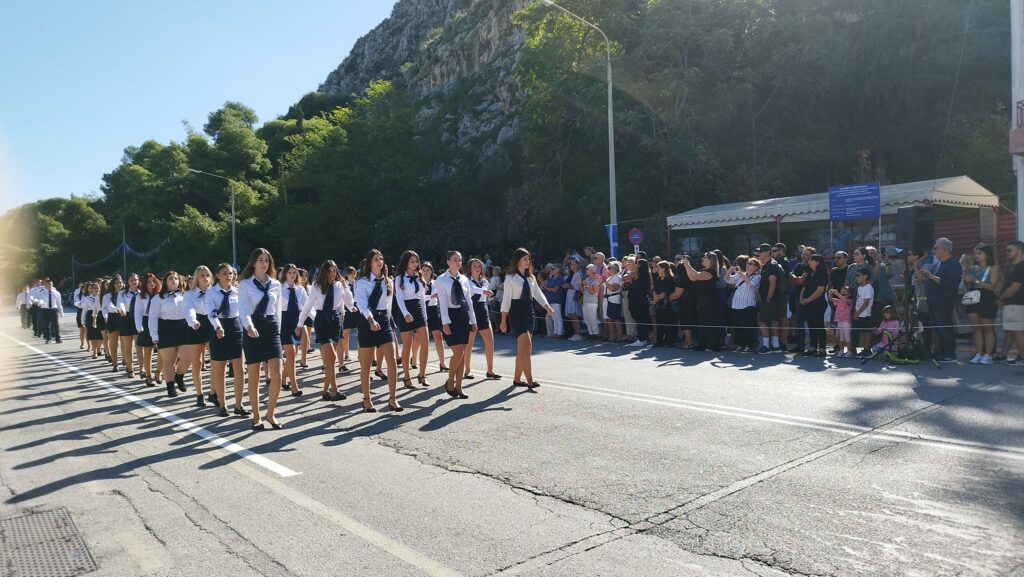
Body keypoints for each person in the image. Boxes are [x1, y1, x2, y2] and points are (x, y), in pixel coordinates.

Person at [238, 248, 287, 429]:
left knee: (277, 374)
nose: (264, 263)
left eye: (267, 260)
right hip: (253, 328)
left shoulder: (275, 284)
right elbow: (242, 308)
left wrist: (279, 334)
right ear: (253, 262)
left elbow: (277, 311)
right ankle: (256, 415)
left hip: (271, 329)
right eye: (260, 260)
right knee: (254, 375)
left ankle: (271, 413)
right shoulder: (244, 284)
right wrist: (249, 327)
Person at [354, 249, 402, 412]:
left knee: (392, 360)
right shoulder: (362, 282)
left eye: (381, 258)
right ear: (369, 263)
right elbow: (361, 304)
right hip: (367, 320)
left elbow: (388, 305)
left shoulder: (388, 281)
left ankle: (393, 398)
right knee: (366, 364)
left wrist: (388, 323)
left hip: (383, 321)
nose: (379, 261)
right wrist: (371, 320)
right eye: (376, 259)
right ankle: (366, 399)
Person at [500, 247, 554, 388]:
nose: (528, 261)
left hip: (528, 311)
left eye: (528, 259)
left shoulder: (531, 277)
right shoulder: (510, 278)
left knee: (522, 349)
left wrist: (547, 306)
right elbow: (506, 300)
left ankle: (517, 379)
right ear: (517, 261)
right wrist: (503, 320)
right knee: (527, 345)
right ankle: (530, 380)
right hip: (516, 312)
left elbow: (537, 293)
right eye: (525, 259)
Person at [299, 260, 351, 401]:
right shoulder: (316, 286)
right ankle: (335, 390)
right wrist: (300, 323)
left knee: (329, 361)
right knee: (332, 357)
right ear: (324, 272)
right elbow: (308, 305)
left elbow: (348, 301)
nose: (332, 274)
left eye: (335, 270)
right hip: (322, 320)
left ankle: (325, 391)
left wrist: (345, 285)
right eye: (330, 271)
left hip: (335, 320)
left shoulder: (339, 285)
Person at [434, 251, 477, 398]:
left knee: (462, 353)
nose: (458, 262)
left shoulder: (464, 279)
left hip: (463, 316)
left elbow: (469, 300)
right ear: (448, 262)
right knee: (458, 352)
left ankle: (459, 386)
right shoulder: (441, 280)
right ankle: (450, 382)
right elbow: (443, 303)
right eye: (454, 259)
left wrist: (473, 320)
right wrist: (445, 323)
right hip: (450, 317)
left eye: (459, 260)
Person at [206, 263, 246, 417]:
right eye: (224, 273)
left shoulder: (238, 291)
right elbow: (211, 313)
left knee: (239, 368)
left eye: (230, 273)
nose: (228, 276)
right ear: (217, 275)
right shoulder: (211, 292)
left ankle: (239, 404)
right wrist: (218, 327)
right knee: (219, 369)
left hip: (235, 327)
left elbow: (244, 310)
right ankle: (222, 405)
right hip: (218, 327)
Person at [919, 238, 962, 363]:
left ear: (944, 249)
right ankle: (941, 352)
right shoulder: (938, 264)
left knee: (945, 327)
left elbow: (950, 284)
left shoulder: (953, 264)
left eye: (936, 248)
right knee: (937, 328)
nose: (934, 251)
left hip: (943, 301)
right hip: (933, 301)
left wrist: (931, 276)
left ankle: (950, 353)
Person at [393, 251, 432, 387]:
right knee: (407, 345)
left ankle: (422, 374)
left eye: (416, 261)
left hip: (418, 309)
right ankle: (407, 377)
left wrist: (425, 315)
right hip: (405, 309)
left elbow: (421, 298)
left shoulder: (419, 276)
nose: (415, 264)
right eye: (412, 261)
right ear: (406, 262)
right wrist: (405, 313)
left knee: (425, 342)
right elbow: (399, 298)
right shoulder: (399, 278)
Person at [149, 271, 190, 398]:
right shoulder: (158, 298)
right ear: (165, 282)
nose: (174, 280)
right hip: (165, 329)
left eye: (176, 278)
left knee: (187, 357)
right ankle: (170, 387)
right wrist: (154, 335)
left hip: (183, 328)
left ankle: (179, 376)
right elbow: (152, 317)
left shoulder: (186, 295)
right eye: (171, 278)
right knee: (169, 361)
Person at [962, 243, 1001, 365]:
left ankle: (988, 354)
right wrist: (966, 279)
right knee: (976, 328)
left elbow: (992, 286)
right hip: (973, 296)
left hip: (987, 297)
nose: (976, 256)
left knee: (987, 328)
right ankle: (978, 353)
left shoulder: (994, 268)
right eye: (975, 253)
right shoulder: (973, 268)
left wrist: (975, 281)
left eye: (979, 253)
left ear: (987, 255)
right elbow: (968, 286)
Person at [183, 266, 215, 406]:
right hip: (196, 325)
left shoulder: (215, 292)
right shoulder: (189, 294)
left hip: (212, 324)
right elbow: (188, 309)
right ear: (197, 278)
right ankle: (199, 394)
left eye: (207, 275)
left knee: (215, 361)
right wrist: (193, 322)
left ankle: (213, 392)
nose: (205, 278)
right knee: (197, 362)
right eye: (202, 275)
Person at [465, 257, 500, 381]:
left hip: (483, 312)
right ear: (469, 269)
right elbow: (472, 291)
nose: (477, 268)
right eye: (474, 266)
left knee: (490, 342)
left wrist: (492, 296)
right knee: (469, 344)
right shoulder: (467, 282)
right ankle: (467, 370)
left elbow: (487, 297)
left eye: (479, 266)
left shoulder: (485, 281)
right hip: (471, 313)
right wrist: (485, 292)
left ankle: (490, 370)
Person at [681, 253, 722, 351]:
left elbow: (696, 276)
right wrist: (687, 266)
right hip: (701, 299)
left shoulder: (711, 272)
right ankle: (703, 344)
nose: (702, 258)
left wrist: (687, 265)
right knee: (702, 321)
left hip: (709, 300)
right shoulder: (703, 271)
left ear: (711, 260)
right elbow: (692, 277)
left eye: (705, 257)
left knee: (709, 321)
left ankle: (712, 345)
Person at [279, 264, 309, 397]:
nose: (292, 274)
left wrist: (302, 324)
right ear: (285, 274)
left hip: (297, 322)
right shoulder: (279, 288)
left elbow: (306, 306)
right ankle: (294, 387)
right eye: (290, 272)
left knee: (293, 355)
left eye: (294, 272)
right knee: (290, 354)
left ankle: (283, 379)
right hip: (283, 322)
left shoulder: (300, 289)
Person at [996, 240, 1024, 365]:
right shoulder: (1013, 267)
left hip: (1015, 304)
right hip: (1011, 304)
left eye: (1010, 250)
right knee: (1010, 331)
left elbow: (1014, 288)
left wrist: (1000, 298)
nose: (1007, 253)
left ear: (1019, 250)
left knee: (1017, 331)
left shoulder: (1020, 267)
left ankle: (1022, 357)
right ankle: (1003, 355)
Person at [755, 244, 787, 354]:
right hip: (774, 298)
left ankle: (766, 346)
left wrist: (768, 298)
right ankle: (776, 346)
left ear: (768, 252)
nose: (759, 254)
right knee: (773, 320)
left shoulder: (771, 265)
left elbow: (772, 283)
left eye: (761, 251)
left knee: (761, 320)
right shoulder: (769, 264)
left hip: (770, 298)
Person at [726, 258, 760, 353]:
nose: (747, 265)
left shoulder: (757, 276)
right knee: (739, 326)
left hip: (748, 305)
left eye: (750, 263)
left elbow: (752, 284)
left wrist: (741, 273)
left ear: (756, 267)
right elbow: (728, 280)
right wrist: (729, 271)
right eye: (747, 263)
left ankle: (749, 346)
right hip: (736, 304)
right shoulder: (740, 274)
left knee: (747, 327)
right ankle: (741, 345)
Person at [798, 254, 828, 357]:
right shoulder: (809, 272)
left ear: (817, 262)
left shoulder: (822, 274)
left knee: (819, 325)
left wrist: (808, 300)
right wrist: (801, 298)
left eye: (811, 260)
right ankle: (812, 347)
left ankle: (822, 349)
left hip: (818, 303)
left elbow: (820, 290)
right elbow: (804, 287)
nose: (809, 262)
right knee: (811, 325)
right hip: (807, 303)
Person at [134, 273, 161, 387]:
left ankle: (158, 372)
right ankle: (148, 376)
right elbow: (138, 312)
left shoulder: (159, 295)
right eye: (149, 281)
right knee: (148, 351)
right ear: (144, 283)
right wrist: (139, 326)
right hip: (145, 321)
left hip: (158, 322)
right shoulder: (140, 296)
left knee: (162, 351)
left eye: (153, 281)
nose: (152, 283)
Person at [115, 273, 141, 378]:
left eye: (135, 279)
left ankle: (142, 367)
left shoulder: (141, 292)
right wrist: (121, 309)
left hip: (138, 318)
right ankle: (130, 368)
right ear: (127, 282)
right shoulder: (123, 293)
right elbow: (119, 303)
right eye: (131, 280)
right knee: (128, 346)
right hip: (126, 318)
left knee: (139, 345)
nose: (134, 281)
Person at [626, 257, 652, 347]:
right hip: (643, 298)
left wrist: (630, 269)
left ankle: (641, 339)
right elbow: (651, 285)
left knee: (638, 318)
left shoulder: (636, 272)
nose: (635, 264)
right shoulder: (648, 274)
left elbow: (624, 278)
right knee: (643, 319)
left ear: (640, 265)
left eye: (637, 263)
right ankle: (644, 338)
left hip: (636, 298)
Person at [651, 261, 676, 347]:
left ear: (664, 268)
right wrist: (655, 297)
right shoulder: (658, 278)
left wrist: (655, 300)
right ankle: (659, 341)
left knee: (668, 322)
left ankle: (669, 341)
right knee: (659, 323)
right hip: (658, 304)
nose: (657, 269)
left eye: (658, 268)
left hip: (667, 304)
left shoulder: (670, 278)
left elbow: (666, 292)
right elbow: (655, 289)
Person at [852, 269, 874, 356]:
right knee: (860, 332)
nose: (856, 277)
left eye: (858, 275)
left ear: (865, 276)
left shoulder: (868, 287)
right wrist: (855, 312)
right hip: (858, 313)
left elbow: (866, 302)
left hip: (866, 314)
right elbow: (857, 301)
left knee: (866, 331)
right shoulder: (859, 288)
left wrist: (857, 313)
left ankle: (867, 349)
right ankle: (861, 348)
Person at [102, 276, 123, 368]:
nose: (119, 284)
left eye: (120, 282)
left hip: (124, 317)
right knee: (114, 342)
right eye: (116, 283)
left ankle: (125, 360)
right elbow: (105, 308)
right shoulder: (108, 296)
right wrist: (106, 316)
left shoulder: (125, 294)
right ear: (113, 285)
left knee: (126, 342)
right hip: (112, 318)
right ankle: (115, 363)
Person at [828, 285, 853, 358]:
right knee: (841, 337)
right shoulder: (838, 301)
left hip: (846, 321)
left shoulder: (849, 301)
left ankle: (849, 351)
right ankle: (841, 350)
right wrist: (830, 293)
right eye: (841, 292)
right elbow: (830, 299)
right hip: (839, 321)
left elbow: (845, 300)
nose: (842, 293)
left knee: (847, 337)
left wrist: (837, 294)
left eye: (845, 293)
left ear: (849, 294)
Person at [38, 278, 64, 345]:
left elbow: (59, 303)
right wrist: (40, 302)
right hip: (45, 310)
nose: (49, 285)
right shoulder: (41, 292)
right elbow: (40, 300)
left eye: (51, 284)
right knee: (46, 325)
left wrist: (61, 312)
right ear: (45, 285)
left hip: (53, 309)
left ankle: (58, 338)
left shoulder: (57, 293)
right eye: (48, 284)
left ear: (52, 285)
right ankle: (48, 339)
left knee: (56, 324)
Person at [82, 283, 104, 358]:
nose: (96, 289)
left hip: (100, 315)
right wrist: (83, 320)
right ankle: (94, 351)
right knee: (93, 335)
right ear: (91, 289)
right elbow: (84, 309)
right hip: (90, 315)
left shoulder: (102, 297)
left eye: (97, 288)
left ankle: (99, 348)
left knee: (101, 335)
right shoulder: (87, 298)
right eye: (94, 288)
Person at [543, 265, 566, 338]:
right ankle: (555, 332)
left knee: (558, 316)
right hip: (550, 300)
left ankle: (559, 333)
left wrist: (546, 288)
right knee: (554, 317)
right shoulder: (551, 278)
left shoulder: (559, 278)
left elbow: (555, 289)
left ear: (558, 270)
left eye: (553, 269)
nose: (551, 270)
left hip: (556, 300)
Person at [604, 262, 624, 342]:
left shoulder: (617, 277)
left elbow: (614, 288)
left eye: (610, 268)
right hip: (608, 298)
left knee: (616, 318)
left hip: (614, 298)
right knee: (609, 318)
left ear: (615, 269)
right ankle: (612, 337)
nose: (608, 269)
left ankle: (619, 337)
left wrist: (605, 283)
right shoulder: (610, 277)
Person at [565, 260, 584, 341]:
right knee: (572, 315)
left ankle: (578, 334)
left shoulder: (578, 274)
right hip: (570, 294)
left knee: (574, 314)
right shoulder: (573, 274)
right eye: (570, 264)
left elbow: (578, 286)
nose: (571, 265)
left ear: (577, 265)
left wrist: (569, 286)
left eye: (573, 264)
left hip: (574, 294)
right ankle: (576, 333)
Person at [581, 264, 602, 338]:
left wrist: (586, 285)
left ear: (592, 270)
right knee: (586, 319)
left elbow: (592, 292)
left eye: (587, 269)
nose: (586, 270)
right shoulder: (587, 279)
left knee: (592, 318)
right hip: (585, 301)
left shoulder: (596, 281)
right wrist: (580, 284)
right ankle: (591, 334)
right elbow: (583, 291)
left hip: (592, 301)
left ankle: (596, 334)